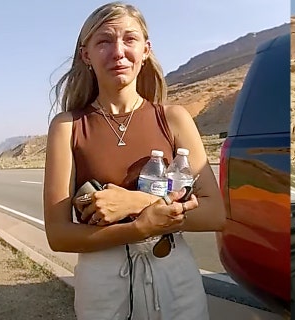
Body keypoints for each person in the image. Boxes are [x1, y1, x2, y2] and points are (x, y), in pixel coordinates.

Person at [43, 2, 226, 319]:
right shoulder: (67, 127)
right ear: (86, 54)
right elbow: (58, 235)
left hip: (176, 278)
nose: (118, 52)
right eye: (104, 41)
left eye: (129, 39)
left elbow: (214, 214)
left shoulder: (174, 119)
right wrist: (140, 227)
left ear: (145, 50)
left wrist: (136, 203)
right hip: (101, 286)